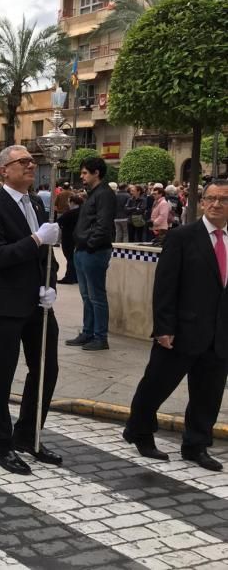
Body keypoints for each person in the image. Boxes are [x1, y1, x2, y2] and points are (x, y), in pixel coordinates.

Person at [123, 181, 228, 472]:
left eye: (223, 199)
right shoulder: (183, 237)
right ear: (203, 202)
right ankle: (139, 431)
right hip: (180, 331)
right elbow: (165, 286)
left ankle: (196, 446)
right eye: (211, 198)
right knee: (155, 386)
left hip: (219, 334)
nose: (217, 204)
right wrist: (163, 328)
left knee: (208, 394)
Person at [0, 144, 61, 476]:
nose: (30, 165)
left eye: (31, 161)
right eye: (22, 161)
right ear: (3, 171)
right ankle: (2, 444)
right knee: (2, 375)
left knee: (45, 370)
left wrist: (49, 284)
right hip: (3, 305)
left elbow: (45, 257)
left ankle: (29, 434)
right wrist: (37, 240)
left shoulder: (37, 203)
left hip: (37, 304)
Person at [66, 157, 116, 351]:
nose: (82, 176)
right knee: (87, 295)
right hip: (84, 250)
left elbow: (103, 225)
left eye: (85, 172)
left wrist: (90, 244)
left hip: (94, 251)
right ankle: (88, 332)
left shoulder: (104, 194)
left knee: (96, 296)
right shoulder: (94, 194)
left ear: (96, 173)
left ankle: (100, 336)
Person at [56, 191, 81, 285]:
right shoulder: (83, 212)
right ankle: (76, 277)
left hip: (68, 237)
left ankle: (69, 277)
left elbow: (59, 222)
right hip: (79, 237)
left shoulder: (69, 213)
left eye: (69, 202)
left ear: (73, 203)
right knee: (75, 258)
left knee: (69, 257)